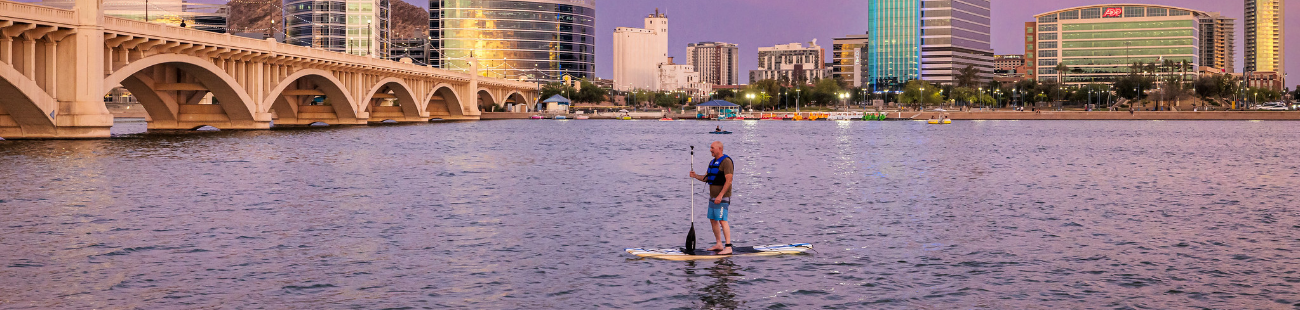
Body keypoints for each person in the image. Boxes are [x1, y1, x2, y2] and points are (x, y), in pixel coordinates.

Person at [689, 141, 735, 254]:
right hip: (712, 197)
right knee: (713, 220)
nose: (710, 150)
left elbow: (729, 180)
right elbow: (706, 178)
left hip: (722, 197)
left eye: (712, 148)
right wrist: (695, 176)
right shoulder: (712, 162)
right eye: (710, 148)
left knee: (722, 220)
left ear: (719, 149)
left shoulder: (726, 162)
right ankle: (719, 244)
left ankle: (728, 247)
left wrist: (720, 195)